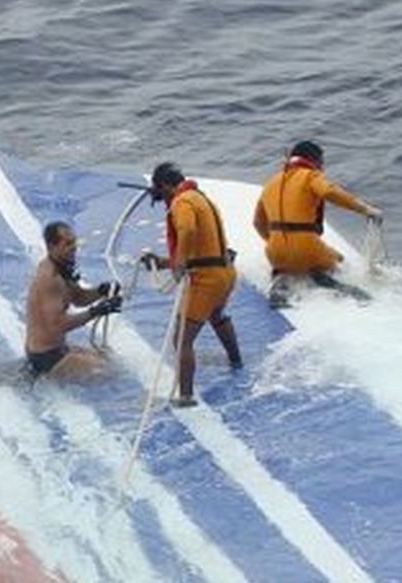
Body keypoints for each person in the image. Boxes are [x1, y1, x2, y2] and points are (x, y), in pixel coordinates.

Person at [140, 162, 244, 407]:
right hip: (225, 274)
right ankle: (236, 361)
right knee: (217, 316)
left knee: (182, 339)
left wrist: (178, 265)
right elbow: (203, 250)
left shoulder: (182, 202)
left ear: (166, 185)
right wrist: (164, 263)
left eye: (162, 191)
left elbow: (187, 230)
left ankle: (185, 397)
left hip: (207, 281)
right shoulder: (200, 198)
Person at [253, 140, 382, 303]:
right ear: (313, 160)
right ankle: (320, 276)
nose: (322, 167)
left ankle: (282, 278)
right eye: (321, 162)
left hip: (274, 253)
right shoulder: (310, 176)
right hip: (307, 249)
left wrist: (276, 242)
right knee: (339, 259)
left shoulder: (270, 182)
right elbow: (329, 191)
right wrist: (366, 209)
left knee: (287, 263)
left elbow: (257, 223)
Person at [24, 220, 123, 379]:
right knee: (110, 374)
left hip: (58, 348)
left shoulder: (62, 267)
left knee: (107, 358)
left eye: (74, 242)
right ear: (52, 246)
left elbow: (78, 298)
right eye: (68, 243)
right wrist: (96, 311)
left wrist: (100, 291)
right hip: (46, 358)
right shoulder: (49, 279)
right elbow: (57, 325)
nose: (74, 247)